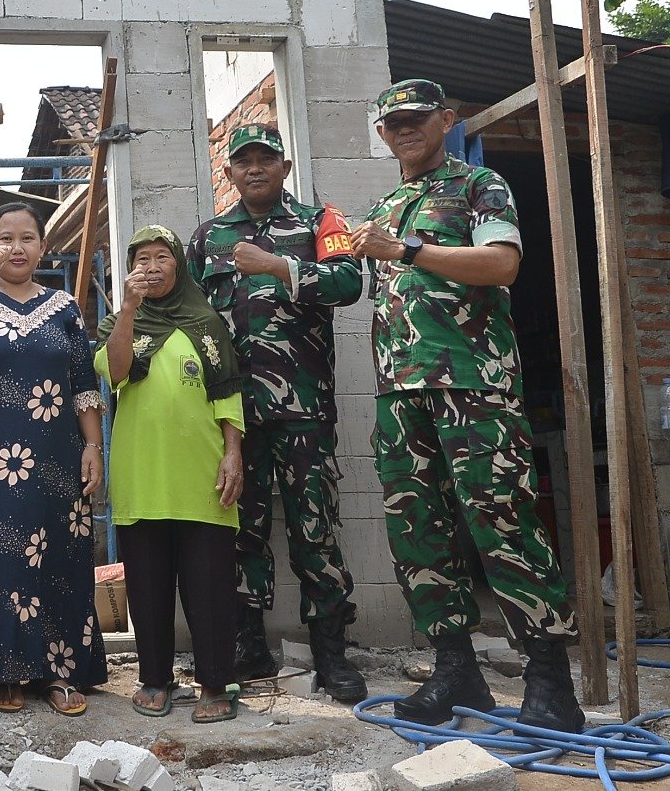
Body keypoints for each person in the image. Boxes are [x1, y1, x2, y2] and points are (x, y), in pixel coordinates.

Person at [352, 79, 582, 732]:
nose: (404, 129)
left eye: (418, 119)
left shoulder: (479, 185)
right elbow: (360, 279)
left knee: (502, 521)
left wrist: (408, 248)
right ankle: (457, 669)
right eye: (392, 122)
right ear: (381, 132)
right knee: (416, 532)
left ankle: (549, 680)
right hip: (401, 394)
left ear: (446, 120)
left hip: (473, 387)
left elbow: (502, 263)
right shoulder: (388, 203)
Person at [185, 123, 367, 702]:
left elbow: (348, 283)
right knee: (242, 532)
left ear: (285, 168)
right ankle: (249, 646)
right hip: (234, 417)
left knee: (316, 529)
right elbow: (188, 316)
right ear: (230, 173)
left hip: (305, 411)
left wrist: (279, 266)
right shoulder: (208, 237)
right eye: (244, 162)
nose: (255, 169)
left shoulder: (319, 222)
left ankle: (332, 654)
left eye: (266, 159)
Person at [0, 201, 109, 715]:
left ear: (43, 247)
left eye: (26, 237)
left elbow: (83, 385)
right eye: (4, 238)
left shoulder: (65, 308)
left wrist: (93, 446)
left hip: (56, 457)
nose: (15, 247)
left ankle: (56, 672)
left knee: (55, 557)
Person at [97, 225, 244, 724]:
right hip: (142, 477)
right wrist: (128, 312)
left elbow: (227, 394)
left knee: (209, 586)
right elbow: (115, 372)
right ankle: (155, 680)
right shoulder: (120, 324)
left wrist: (232, 454)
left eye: (163, 256)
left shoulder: (206, 323)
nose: (153, 266)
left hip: (203, 477)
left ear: (179, 265)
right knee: (147, 588)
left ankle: (214, 685)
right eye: (142, 258)